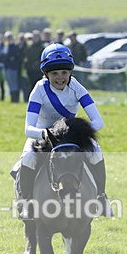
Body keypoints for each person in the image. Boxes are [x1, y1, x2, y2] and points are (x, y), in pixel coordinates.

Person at [16, 43, 112, 219]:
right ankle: (27, 202)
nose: (60, 77)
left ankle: (101, 197)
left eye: (64, 73)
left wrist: (79, 132)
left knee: (96, 152)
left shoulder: (76, 87)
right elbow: (28, 128)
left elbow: (99, 121)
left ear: (70, 73)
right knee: (28, 158)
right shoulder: (39, 89)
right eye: (54, 74)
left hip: (70, 136)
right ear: (46, 74)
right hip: (44, 134)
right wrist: (44, 134)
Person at [1, 31, 23, 103]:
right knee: (10, 84)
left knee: (14, 84)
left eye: (9, 37)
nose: (8, 39)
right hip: (7, 67)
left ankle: (15, 100)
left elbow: (15, 57)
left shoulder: (14, 46)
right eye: (7, 38)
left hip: (13, 68)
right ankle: (12, 99)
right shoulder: (5, 46)